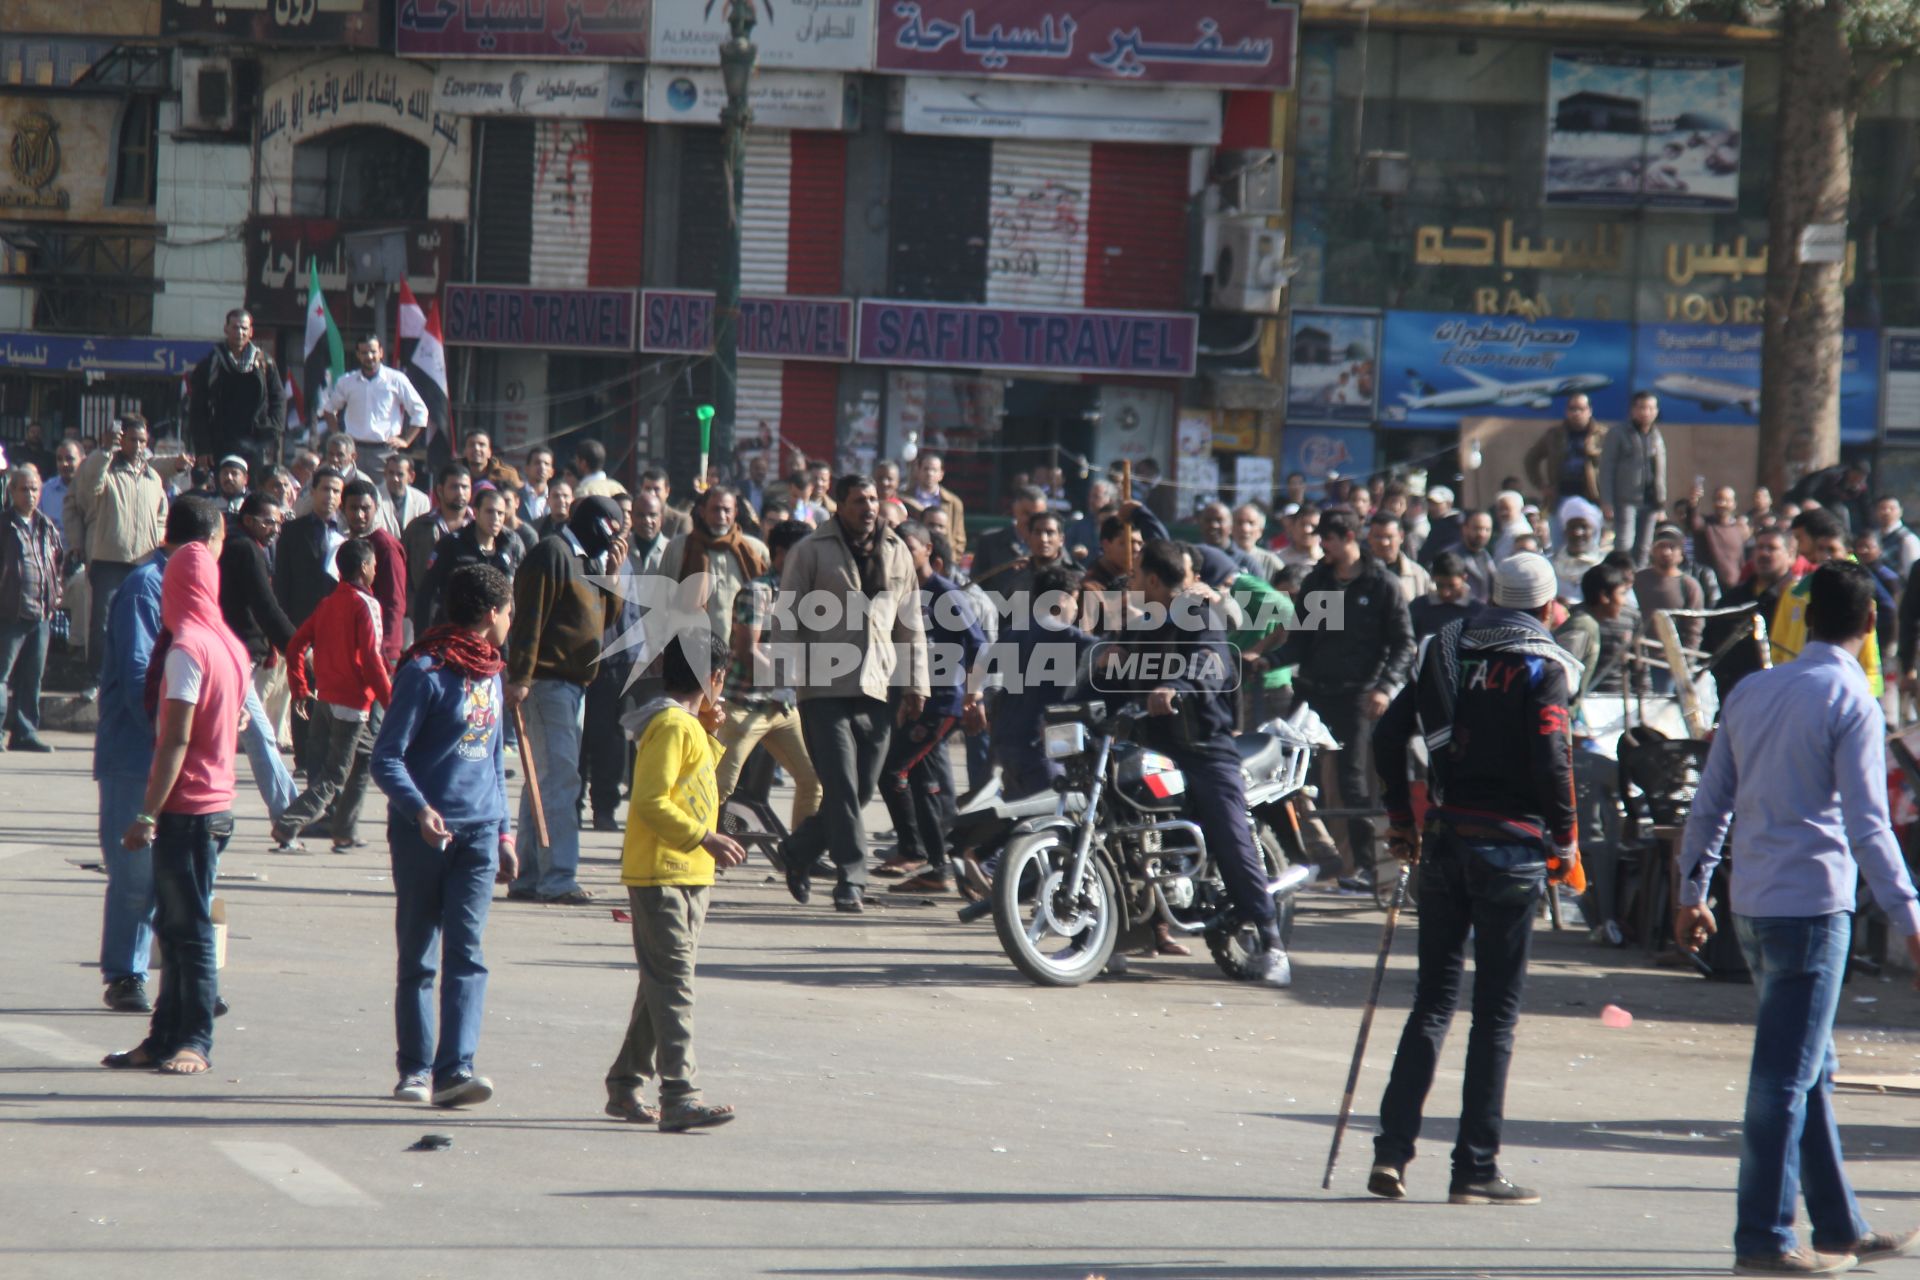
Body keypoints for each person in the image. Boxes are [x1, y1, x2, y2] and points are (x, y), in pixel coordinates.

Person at [1677, 562, 1920, 1277]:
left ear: (1806, 620)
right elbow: (1870, 826)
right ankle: (1763, 1238)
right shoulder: (1853, 699)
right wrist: (1910, 914)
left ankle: (1840, 1222)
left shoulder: (1753, 689)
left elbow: (1709, 802)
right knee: (1783, 1076)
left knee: (1809, 1066)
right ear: (1870, 625)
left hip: (1752, 902)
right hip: (1812, 906)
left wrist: (1690, 890)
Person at [1368, 553, 1581, 1207]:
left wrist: (1403, 819)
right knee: (1494, 1017)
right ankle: (1474, 1169)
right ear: (1545, 608)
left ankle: (1392, 1155)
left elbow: (1385, 736)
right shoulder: (1543, 666)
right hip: (1511, 853)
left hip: (1444, 842)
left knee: (1431, 1004)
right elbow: (1552, 761)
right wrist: (1567, 838)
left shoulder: (1447, 649)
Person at [100, 537, 251, 1078]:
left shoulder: (188, 646)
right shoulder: (229, 643)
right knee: (175, 924)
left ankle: (194, 1039)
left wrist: (146, 813)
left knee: (187, 932)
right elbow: (240, 718)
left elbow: (175, 739)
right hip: (218, 803)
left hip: (188, 807)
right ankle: (163, 1037)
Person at [372, 563, 518, 1110]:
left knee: (469, 953)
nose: (511, 621)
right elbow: (385, 759)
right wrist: (418, 809)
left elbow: (494, 765)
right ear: (489, 614)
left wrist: (504, 833)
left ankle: (457, 1067)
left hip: (480, 835)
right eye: (508, 611)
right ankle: (415, 1068)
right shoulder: (424, 672)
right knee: (418, 955)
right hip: (422, 836)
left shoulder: (492, 673)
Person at [1114, 539, 1293, 985]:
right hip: (1152, 746)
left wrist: (1175, 686)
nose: (1129, 582)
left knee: (1230, 834)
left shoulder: (1200, 616)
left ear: (1154, 580)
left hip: (1205, 750)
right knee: (1115, 818)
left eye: (1136, 576)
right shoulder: (1145, 623)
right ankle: (1124, 930)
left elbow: (1211, 664)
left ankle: (1271, 940)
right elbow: (1118, 669)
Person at [603, 629, 744, 1132]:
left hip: (689, 875)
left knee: (661, 983)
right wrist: (703, 838)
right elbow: (650, 800)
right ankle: (681, 1093)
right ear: (715, 678)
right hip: (663, 871)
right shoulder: (668, 724)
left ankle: (624, 1085)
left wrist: (710, 729)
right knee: (674, 984)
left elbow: (701, 782)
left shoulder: (686, 726)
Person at [775, 475, 929, 914]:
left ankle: (797, 851)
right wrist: (787, 673)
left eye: (874, 500)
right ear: (839, 504)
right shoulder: (811, 549)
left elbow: (910, 623)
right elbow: (788, 612)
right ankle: (851, 878)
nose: (868, 507)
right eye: (859, 500)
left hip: (877, 683)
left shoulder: (897, 550)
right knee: (840, 782)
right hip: (822, 684)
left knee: (861, 789)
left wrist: (917, 683)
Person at [1269, 509, 1415, 888]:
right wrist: (1266, 660)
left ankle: (1364, 866)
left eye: (1327, 539)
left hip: (1357, 697)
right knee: (1295, 778)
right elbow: (1300, 641)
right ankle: (1305, 859)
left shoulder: (1381, 585)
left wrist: (1385, 687)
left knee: (1352, 783)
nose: (1322, 547)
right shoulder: (1319, 582)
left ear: (1347, 537)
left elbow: (1403, 643)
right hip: (1312, 692)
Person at [505, 497, 626, 904]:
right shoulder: (552, 553)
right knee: (560, 780)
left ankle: (527, 874)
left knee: (543, 781)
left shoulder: (590, 561)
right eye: (612, 530)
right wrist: (520, 676)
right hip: (546, 681)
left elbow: (601, 621)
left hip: (575, 686)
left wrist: (612, 577)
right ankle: (558, 878)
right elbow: (528, 618)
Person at [877, 524, 986, 893]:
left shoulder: (945, 593)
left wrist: (975, 697)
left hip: (943, 702)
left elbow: (979, 647)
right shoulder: (902, 592)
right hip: (915, 700)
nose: (903, 556)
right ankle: (940, 866)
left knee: (893, 771)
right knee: (923, 783)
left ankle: (919, 852)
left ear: (927, 550)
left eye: (910, 548)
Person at [276, 539, 394, 853]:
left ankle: (345, 831)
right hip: (352, 705)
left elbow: (296, 644)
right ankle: (288, 823)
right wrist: (392, 702)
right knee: (334, 776)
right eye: (373, 566)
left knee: (364, 759)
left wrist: (301, 686)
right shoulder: (366, 604)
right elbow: (372, 659)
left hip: (326, 699)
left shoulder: (328, 603)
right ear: (365, 568)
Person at [712, 519, 821, 831]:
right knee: (720, 786)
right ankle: (698, 851)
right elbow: (747, 649)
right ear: (782, 554)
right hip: (743, 704)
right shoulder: (757, 592)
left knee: (813, 778)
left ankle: (799, 856)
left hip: (782, 708)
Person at [1555, 560, 1637, 937]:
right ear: (1604, 596)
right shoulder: (1582, 627)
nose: (1624, 601)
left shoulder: (1589, 625)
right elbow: (1556, 675)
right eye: (1622, 594)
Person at [74, 414, 173, 686]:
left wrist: (157, 541)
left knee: (143, 619)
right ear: (122, 440)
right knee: (103, 624)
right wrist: (105, 451)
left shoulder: (153, 477)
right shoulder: (106, 469)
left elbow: (162, 514)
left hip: (144, 562)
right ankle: (98, 679)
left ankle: (139, 678)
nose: (139, 446)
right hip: (109, 560)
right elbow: (88, 488)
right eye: (133, 440)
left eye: (143, 440)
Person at [660, 486, 767, 652]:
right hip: (690, 652)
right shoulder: (678, 548)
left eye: (727, 510)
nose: (721, 516)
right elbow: (660, 601)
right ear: (702, 512)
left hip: (739, 656)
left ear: (735, 512)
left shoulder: (755, 550)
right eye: (715, 509)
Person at [0, 464, 61, 751]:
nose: (30, 494)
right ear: (11, 491)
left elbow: (55, 563)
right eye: (23, 489)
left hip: (41, 613)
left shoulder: (46, 525)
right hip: (10, 613)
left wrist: (55, 594)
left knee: (32, 676)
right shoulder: (4, 526)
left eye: (34, 488)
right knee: (2, 675)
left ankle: (24, 732)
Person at [187, 308, 286, 469]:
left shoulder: (264, 363)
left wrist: (272, 430)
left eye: (244, 328)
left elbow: (279, 399)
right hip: (220, 442)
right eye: (235, 327)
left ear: (251, 332)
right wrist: (203, 448)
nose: (240, 332)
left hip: (256, 442)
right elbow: (198, 409)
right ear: (226, 329)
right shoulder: (210, 365)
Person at [418, 487, 523, 630]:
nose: (496, 518)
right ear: (476, 512)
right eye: (489, 512)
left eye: (500, 513)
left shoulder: (510, 547)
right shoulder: (451, 545)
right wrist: (422, 635)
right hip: (455, 631)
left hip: (496, 635)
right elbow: (426, 592)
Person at [320, 335, 428, 472]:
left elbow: (420, 411)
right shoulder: (347, 381)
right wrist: (338, 436)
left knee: (382, 492)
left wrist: (406, 441)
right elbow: (329, 410)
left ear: (381, 352)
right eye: (364, 353)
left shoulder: (396, 379)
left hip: (385, 452)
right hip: (353, 451)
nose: (369, 356)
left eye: (373, 352)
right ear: (358, 355)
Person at [1710, 528, 1794, 702]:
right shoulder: (1733, 598)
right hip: (1734, 695)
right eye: (1759, 547)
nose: (1763, 553)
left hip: (1780, 695)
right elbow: (1711, 642)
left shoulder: (1797, 599)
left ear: (1790, 554)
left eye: (1772, 548)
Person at [340, 480, 409, 671]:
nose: (359, 515)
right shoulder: (350, 543)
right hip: (354, 646)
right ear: (342, 508)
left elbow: (395, 602)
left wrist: (385, 648)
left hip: (381, 651)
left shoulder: (385, 546)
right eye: (353, 508)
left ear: (376, 508)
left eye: (365, 508)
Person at [403, 464, 473, 640]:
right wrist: (414, 606)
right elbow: (404, 572)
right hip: (428, 616)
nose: (460, 492)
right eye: (454, 487)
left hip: (469, 618)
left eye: (465, 487)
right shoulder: (419, 527)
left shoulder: (478, 528)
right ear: (440, 490)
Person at [1598, 390, 1667, 568]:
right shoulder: (1618, 433)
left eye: (1651, 408)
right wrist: (1607, 500)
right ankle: (1620, 580)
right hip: (1625, 500)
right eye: (1642, 408)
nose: (1647, 412)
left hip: (1651, 501)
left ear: (1656, 411)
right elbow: (1606, 468)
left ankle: (1639, 585)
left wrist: (1661, 505)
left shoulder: (1656, 436)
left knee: (1644, 548)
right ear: (1633, 410)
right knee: (1624, 545)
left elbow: (1660, 471)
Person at [1524, 393, 1606, 537]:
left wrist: (1609, 497)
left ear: (1589, 410)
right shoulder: (1554, 435)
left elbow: (1616, 466)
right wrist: (1542, 485)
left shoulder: (1602, 435)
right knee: (1559, 543)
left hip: (1591, 497)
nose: (1576, 413)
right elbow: (1531, 459)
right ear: (1567, 411)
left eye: (1581, 409)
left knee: (1589, 542)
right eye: (1572, 409)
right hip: (1560, 497)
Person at [1634, 526, 1705, 684]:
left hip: (1671, 664)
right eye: (1661, 546)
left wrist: (1686, 659)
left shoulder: (1688, 585)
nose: (1666, 552)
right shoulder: (1638, 580)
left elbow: (1694, 627)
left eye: (1672, 547)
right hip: (1639, 659)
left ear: (1681, 553)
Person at [969, 485, 1044, 584]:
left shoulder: (1052, 545)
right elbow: (976, 584)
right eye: (1026, 513)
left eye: (1037, 516)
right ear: (1015, 509)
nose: (1031, 520)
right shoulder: (990, 542)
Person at [1410, 552, 1483, 640]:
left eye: (1452, 586)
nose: (1446, 593)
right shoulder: (1419, 607)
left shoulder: (1478, 612)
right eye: (1440, 585)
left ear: (1464, 578)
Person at [1369, 512, 1431, 605]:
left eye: (1389, 537)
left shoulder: (1418, 575)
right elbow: (1338, 616)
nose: (1384, 543)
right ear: (1369, 537)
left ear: (1401, 536)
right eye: (1378, 537)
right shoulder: (1353, 570)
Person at [377, 452, 433, 542]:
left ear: (411, 476)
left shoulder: (422, 500)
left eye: (400, 474)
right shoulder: (374, 496)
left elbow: (424, 534)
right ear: (385, 474)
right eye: (391, 473)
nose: (395, 478)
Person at [1550, 516, 1603, 603]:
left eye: (1584, 527)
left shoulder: (1606, 564)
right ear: (1565, 531)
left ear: (1594, 531)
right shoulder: (1550, 565)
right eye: (1572, 527)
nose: (1577, 533)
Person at [1233, 501, 1286, 582]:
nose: (1245, 529)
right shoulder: (1220, 558)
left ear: (1260, 531)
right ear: (1230, 528)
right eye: (1239, 523)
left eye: (1251, 523)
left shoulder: (1270, 561)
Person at [40, 439, 81, 535]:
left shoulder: (92, 489)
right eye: (59, 459)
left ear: (82, 460)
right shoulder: (45, 490)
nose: (64, 464)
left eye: (69, 459)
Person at [1873, 497, 1920, 579]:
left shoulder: (1908, 539)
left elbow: (1912, 572)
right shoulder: (1873, 536)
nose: (1887, 512)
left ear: (1900, 511)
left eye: (1892, 508)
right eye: (1882, 508)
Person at [1455, 512, 1496, 604]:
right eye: (1477, 528)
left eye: (1487, 529)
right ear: (1465, 529)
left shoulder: (1487, 556)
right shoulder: (1451, 556)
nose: (1482, 534)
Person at [1490, 491, 1531, 561]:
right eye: (1500, 509)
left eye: (1507, 509)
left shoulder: (1521, 532)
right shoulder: (1505, 530)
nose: (1503, 513)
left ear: (1520, 509)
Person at [1280, 503, 1323, 570]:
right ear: (1292, 526)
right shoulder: (1278, 559)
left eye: (1314, 526)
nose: (1307, 530)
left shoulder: (1326, 560)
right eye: (1303, 524)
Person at [520, 446, 555, 523]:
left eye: (546, 464)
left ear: (552, 472)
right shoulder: (516, 496)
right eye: (537, 463)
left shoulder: (556, 497)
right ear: (527, 469)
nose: (542, 467)